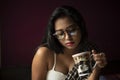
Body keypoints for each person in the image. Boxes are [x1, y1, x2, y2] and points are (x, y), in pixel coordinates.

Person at [32, 5, 107, 80]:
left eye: (72, 30)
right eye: (60, 34)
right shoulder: (44, 53)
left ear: (81, 27)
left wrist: (97, 68)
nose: (67, 37)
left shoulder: (89, 50)